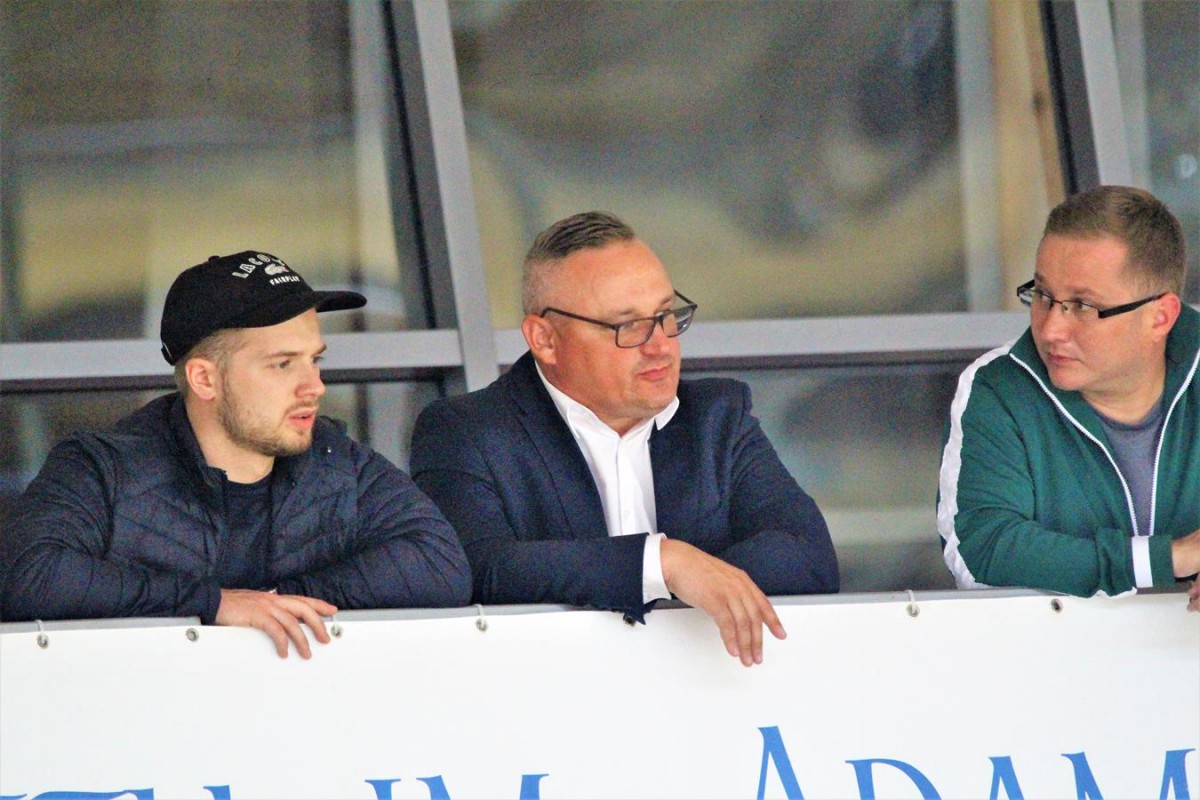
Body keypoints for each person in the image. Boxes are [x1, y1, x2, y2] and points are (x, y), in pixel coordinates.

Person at [411, 212, 838, 666]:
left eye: (665, 315)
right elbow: (477, 569)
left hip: (705, 692)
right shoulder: (467, 431)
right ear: (545, 339)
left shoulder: (716, 417)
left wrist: (689, 577)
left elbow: (809, 556)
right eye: (627, 326)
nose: (660, 346)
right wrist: (663, 563)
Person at [1, 251, 472, 655]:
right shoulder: (105, 467)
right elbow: (28, 575)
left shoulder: (337, 460)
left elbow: (440, 564)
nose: (314, 386)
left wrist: (277, 602)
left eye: (314, 359)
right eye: (282, 364)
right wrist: (214, 604)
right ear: (205, 379)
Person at [938, 186, 1200, 607]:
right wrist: (1170, 559)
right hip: (1057, 651)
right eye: (1042, 296)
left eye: (1083, 306)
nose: (1050, 330)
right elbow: (983, 552)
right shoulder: (1000, 386)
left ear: (1160, 317)